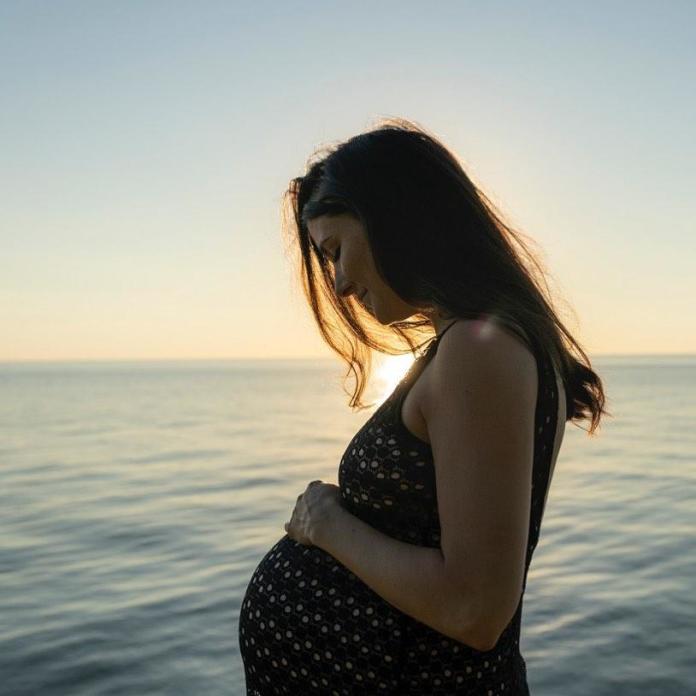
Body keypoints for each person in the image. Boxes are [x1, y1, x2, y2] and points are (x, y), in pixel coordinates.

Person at [238, 117, 608, 695]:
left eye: (336, 251)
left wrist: (328, 525)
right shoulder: (471, 346)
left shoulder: (479, 349)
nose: (337, 285)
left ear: (396, 219)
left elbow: (475, 610)